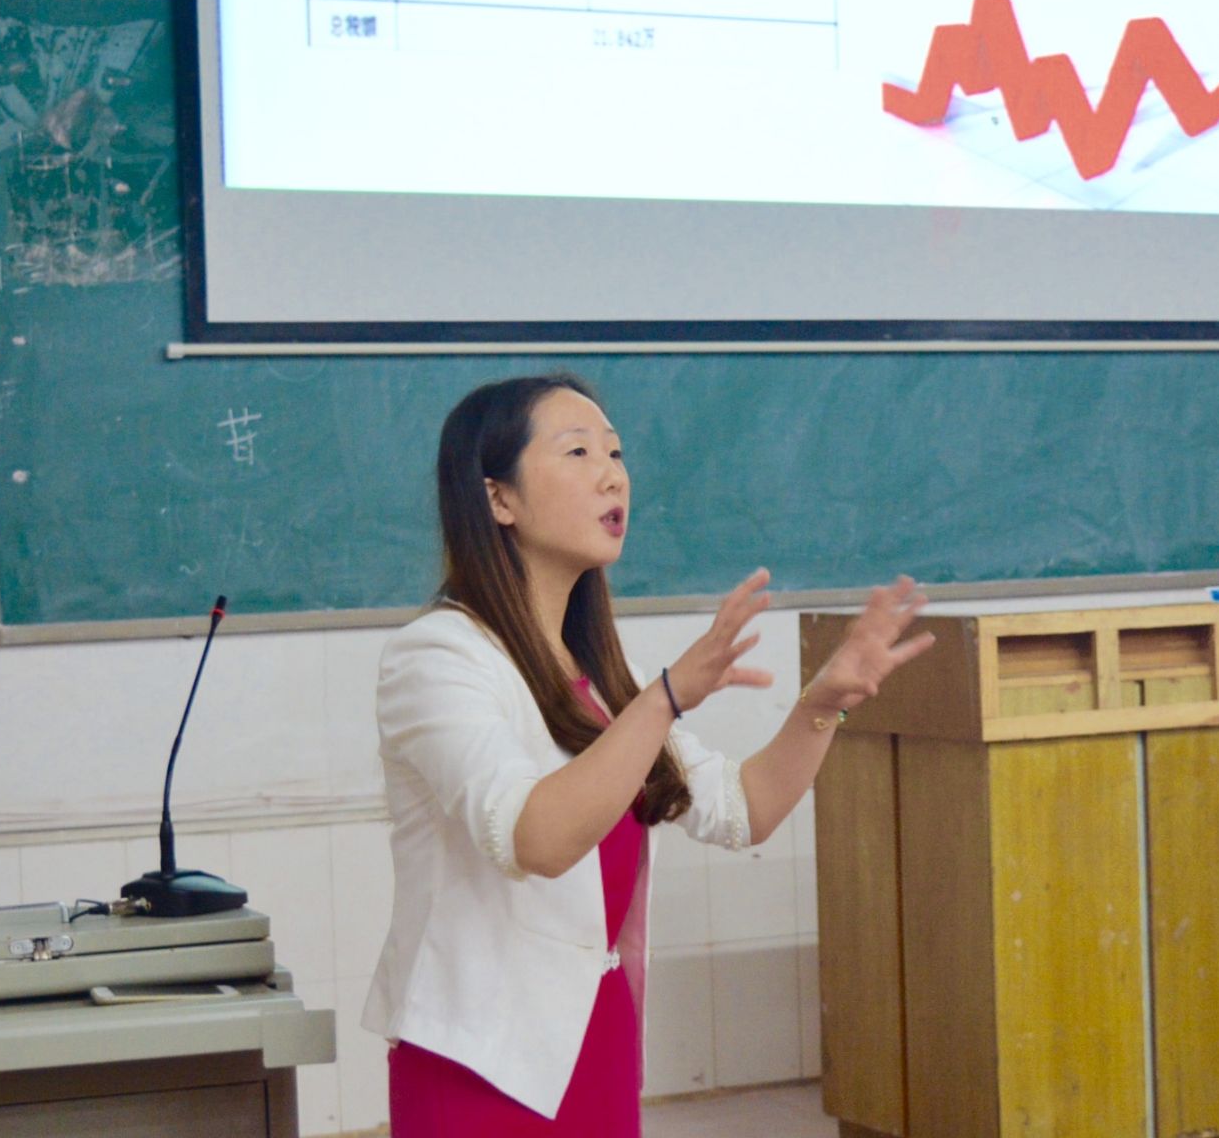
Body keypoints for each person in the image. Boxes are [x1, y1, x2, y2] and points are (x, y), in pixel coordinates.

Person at [362, 373, 935, 1136]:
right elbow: (535, 839)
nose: (613, 476)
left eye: (616, 453)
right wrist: (664, 697)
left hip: (596, 1039)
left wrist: (821, 704)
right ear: (498, 499)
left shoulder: (599, 677)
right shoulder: (437, 657)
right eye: (578, 452)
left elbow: (741, 809)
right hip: (481, 1060)